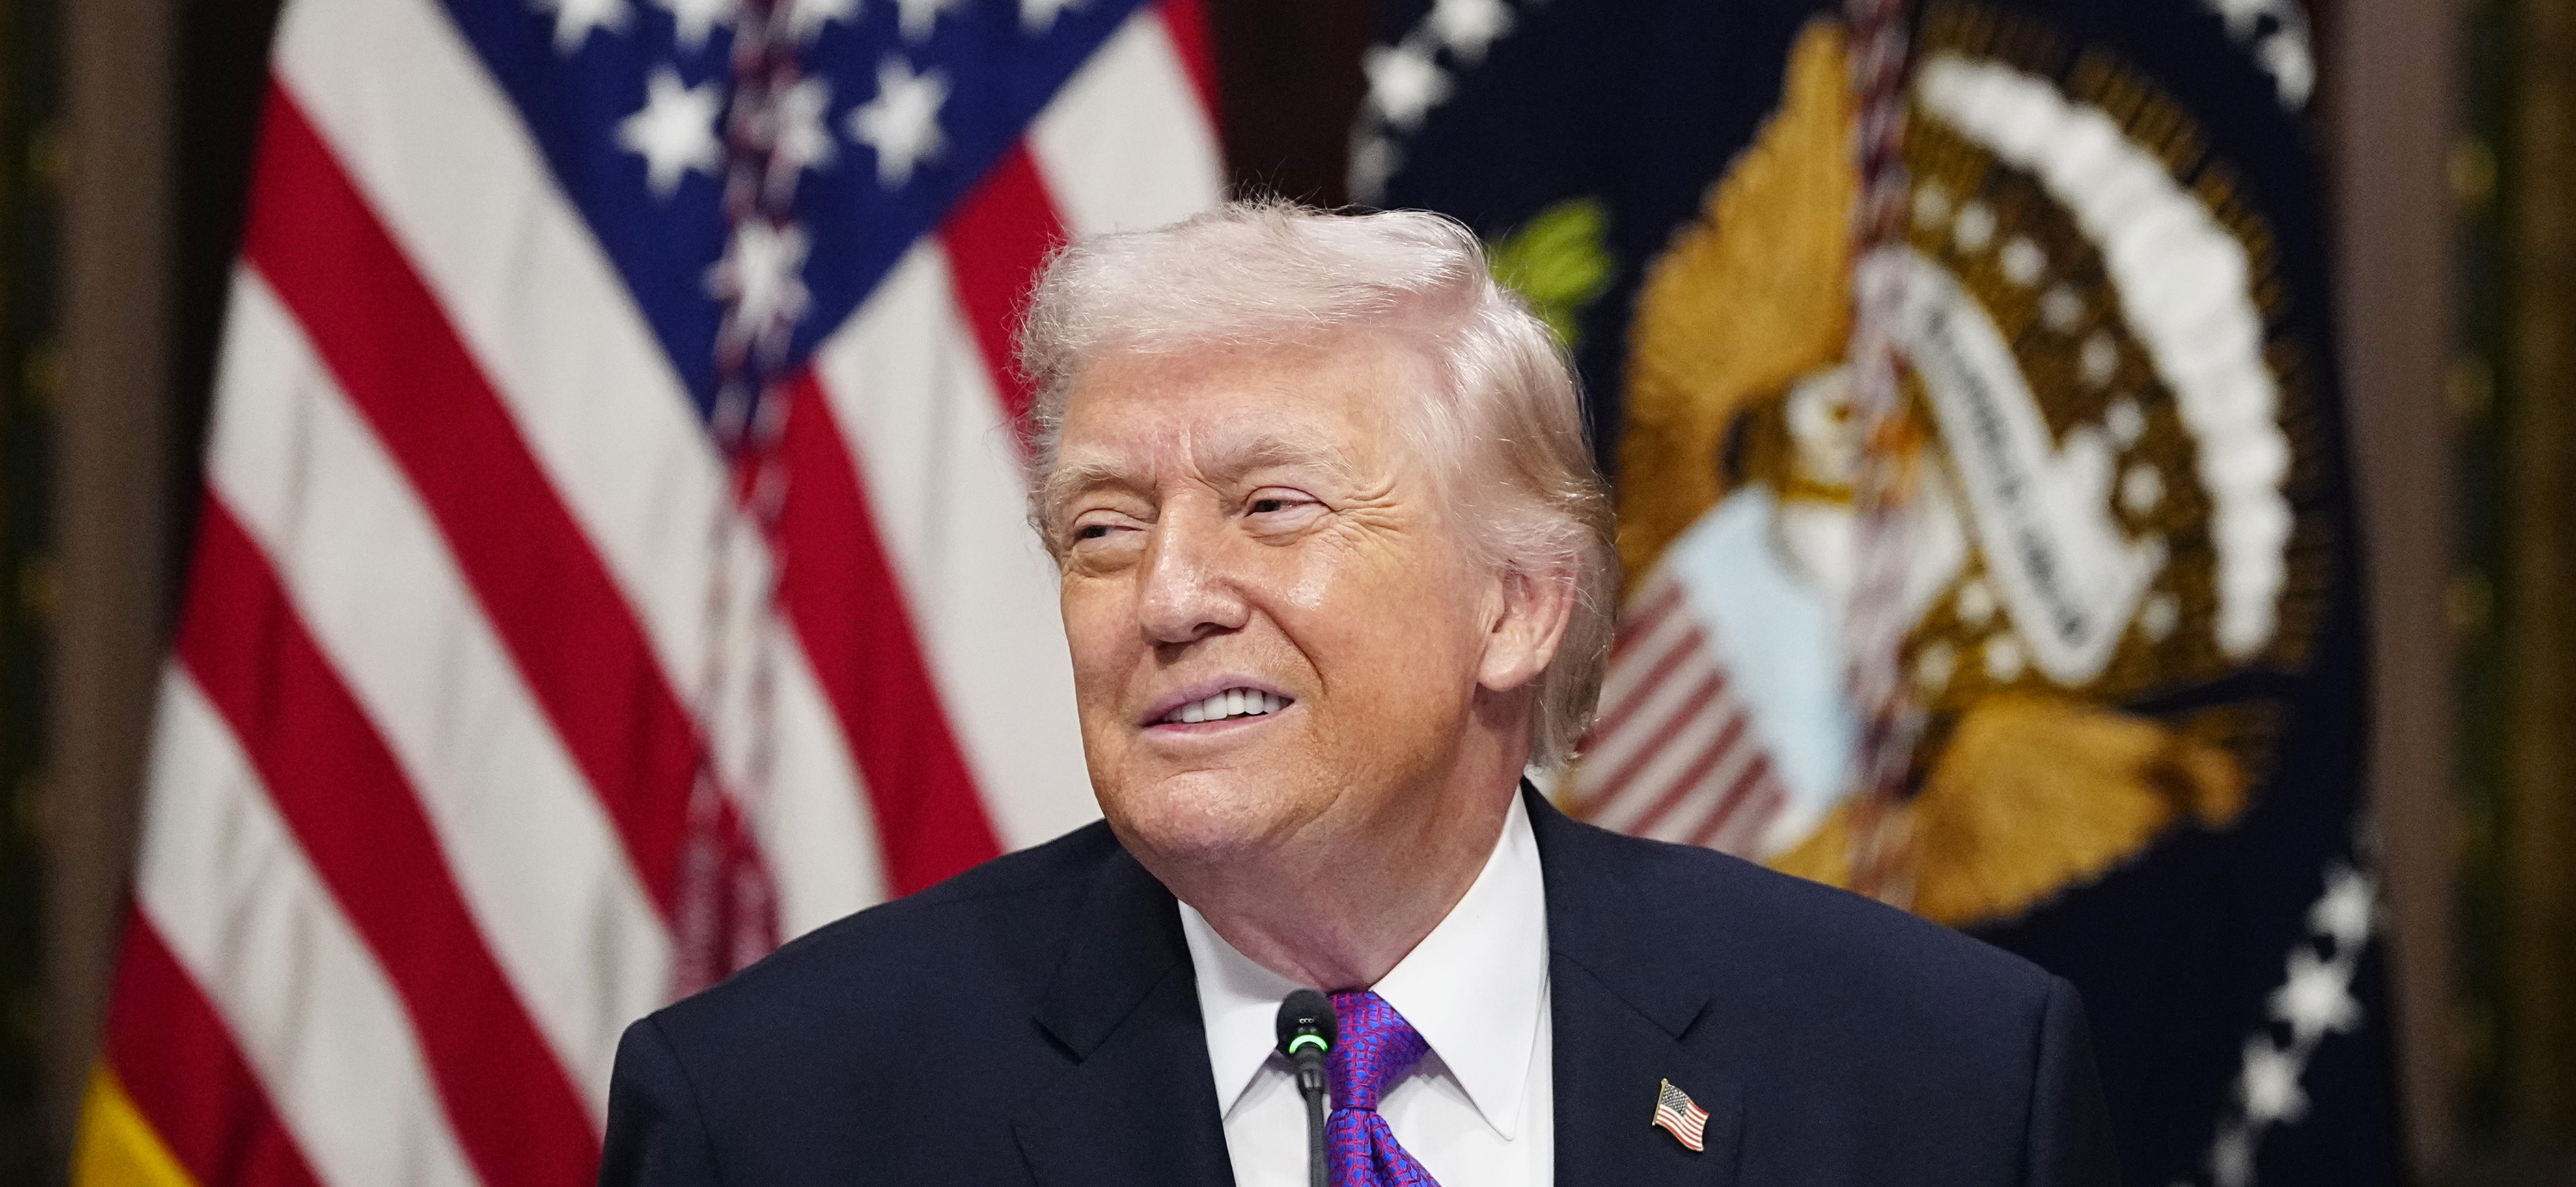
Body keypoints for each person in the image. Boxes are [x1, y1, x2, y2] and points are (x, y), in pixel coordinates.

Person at [600, 201, 2121, 1186]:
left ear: (1517, 606)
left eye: (1271, 508)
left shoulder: (1938, 1085)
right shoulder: (781, 1120)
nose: (1170, 598)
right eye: (1101, 529)